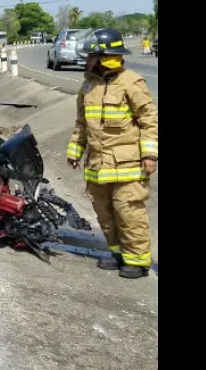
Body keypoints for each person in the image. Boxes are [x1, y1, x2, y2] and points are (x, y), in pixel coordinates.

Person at [66, 28, 158, 279]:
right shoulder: (88, 86)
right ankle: (119, 255)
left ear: (106, 57)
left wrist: (150, 155)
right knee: (104, 212)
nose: (87, 61)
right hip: (98, 163)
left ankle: (138, 262)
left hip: (128, 165)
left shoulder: (132, 82)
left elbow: (150, 120)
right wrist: (75, 150)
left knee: (128, 212)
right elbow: (82, 123)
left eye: (91, 56)